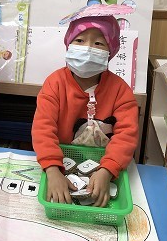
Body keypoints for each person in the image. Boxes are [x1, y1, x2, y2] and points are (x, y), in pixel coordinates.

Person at [31, 14, 139, 207]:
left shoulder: (121, 90)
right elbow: (42, 129)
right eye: (79, 40)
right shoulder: (54, 83)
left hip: (104, 165)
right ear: (68, 44)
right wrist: (52, 169)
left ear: (110, 51)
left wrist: (107, 170)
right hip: (62, 162)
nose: (88, 48)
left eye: (98, 43)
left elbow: (126, 135)